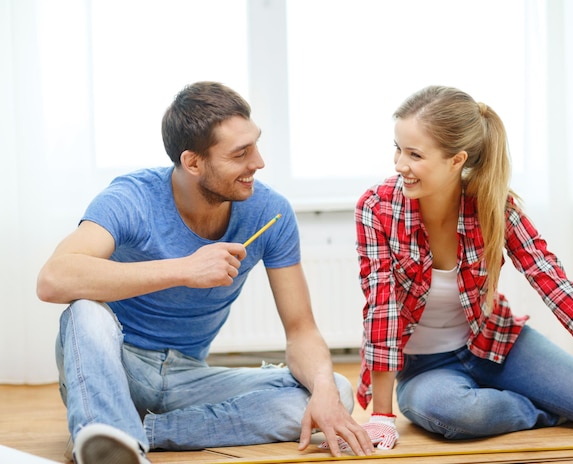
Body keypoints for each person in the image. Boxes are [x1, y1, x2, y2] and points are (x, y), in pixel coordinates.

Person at [36, 81, 374, 464]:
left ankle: (133, 435)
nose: (258, 163)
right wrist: (184, 269)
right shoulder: (131, 198)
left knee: (335, 393)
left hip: (188, 378)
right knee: (84, 310)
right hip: (116, 367)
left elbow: (301, 330)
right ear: (193, 162)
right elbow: (53, 279)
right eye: (240, 154)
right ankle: (110, 432)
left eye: (256, 145)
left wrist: (324, 389)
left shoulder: (270, 211)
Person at [352, 85, 573, 446]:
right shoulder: (377, 208)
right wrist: (382, 416)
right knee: (449, 412)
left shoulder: (494, 206)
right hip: (426, 368)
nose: (400, 164)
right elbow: (382, 309)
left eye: (415, 154)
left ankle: (548, 399)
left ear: (456, 160)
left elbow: (552, 283)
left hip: (499, 342)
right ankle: (543, 410)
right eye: (397, 148)